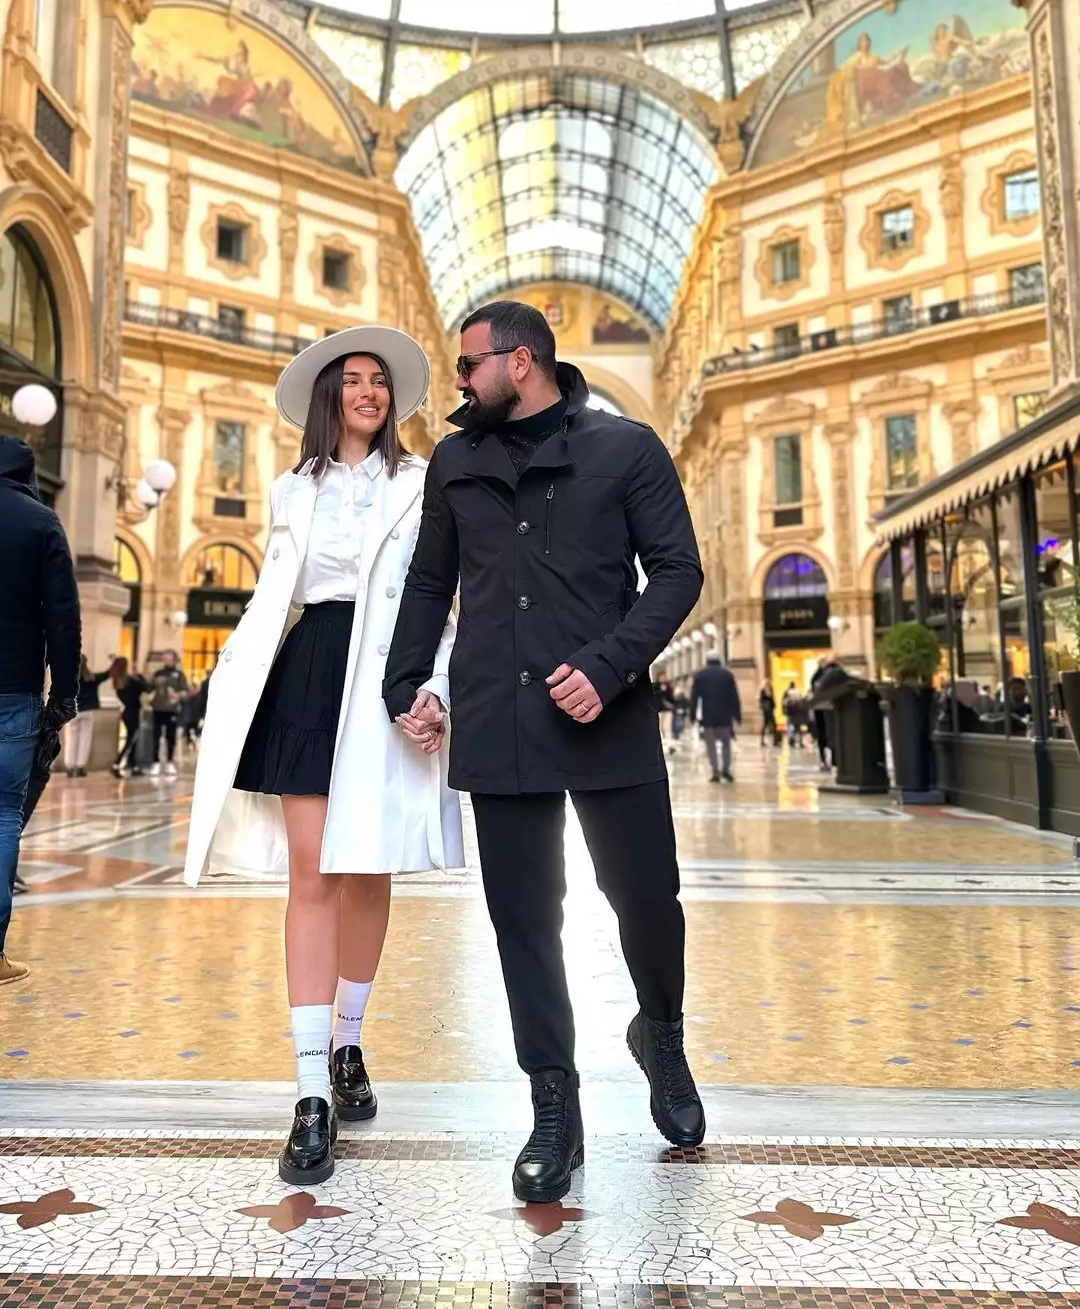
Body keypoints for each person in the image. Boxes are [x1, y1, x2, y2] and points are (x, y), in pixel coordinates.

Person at [384, 300, 706, 1205]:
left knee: (646, 897)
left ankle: (662, 1035)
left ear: (520, 362)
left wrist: (609, 665)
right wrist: (407, 682)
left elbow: (678, 570)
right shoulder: (455, 463)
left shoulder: (626, 448)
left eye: (468, 365)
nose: (458, 380)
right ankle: (553, 1104)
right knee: (525, 918)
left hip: (607, 712)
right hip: (500, 717)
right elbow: (429, 582)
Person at [184, 326, 463, 1187]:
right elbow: (275, 595)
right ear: (329, 397)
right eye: (352, 380)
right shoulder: (289, 487)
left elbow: (442, 597)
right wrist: (230, 682)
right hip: (309, 671)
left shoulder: (423, 482)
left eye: (379, 380)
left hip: (387, 675)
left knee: (366, 870)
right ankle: (310, 1093)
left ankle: (349, 1041)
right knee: (312, 874)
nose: (368, 391)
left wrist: (436, 687)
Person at [0, 435, 80, 987]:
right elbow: (64, 618)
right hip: (15, 692)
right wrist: (65, 694)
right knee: (4, 814)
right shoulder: (41, 523)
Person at [690, 654, 742, 783]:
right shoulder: (727, 675)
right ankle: (726, 770)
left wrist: (692, 715)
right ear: (719, 661)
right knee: (726, 745)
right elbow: (734, 696)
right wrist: (737, 715)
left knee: (711, 746)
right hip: (725, 717)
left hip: (708, 717)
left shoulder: (700, 676)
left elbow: (694, 697)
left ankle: (715, 772)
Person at [64, 655, 111, 777]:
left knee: (71, 739)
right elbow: (107, 674)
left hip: (72, 712)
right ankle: (80, 767)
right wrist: (111, 662)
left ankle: (70, 767)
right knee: (85, 739)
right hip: (87, 712)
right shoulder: (92, 678)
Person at [148, 651, 188, 776]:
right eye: (165, 658)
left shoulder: (179, 675)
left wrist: (178, 695)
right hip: (158, 709)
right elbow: (150, 688)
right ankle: (155, 762)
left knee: (170, 737)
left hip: (172, 709)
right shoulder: (158, 674)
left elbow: (186, 691)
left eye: (169, 658)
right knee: (156, 736)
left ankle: (170, 761)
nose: (167, 660)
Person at [110, 657, 149, 777]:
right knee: (131, 740)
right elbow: (147, 688)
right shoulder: (130, 681)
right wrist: (140, 676)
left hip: (127, 712)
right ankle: (116, 764)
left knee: (132, 739)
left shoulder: (117, 681)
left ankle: (133, 765)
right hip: (133, 712)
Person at [758, 681, 777, 748]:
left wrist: (773, 705)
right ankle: (762, 741)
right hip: (766, 711)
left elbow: (772, 700)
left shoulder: (770, 690)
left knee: (772, 725)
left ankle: (774, 741)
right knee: (766, 725)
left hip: (770, 710)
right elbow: (762, 700)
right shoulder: (763, 691)